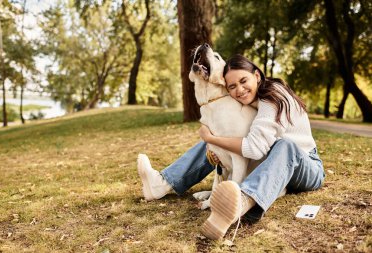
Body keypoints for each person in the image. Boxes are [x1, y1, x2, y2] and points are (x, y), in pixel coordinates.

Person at [137, 54, 325, 240]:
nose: (240, 90)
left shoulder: (273, 96)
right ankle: (161, 184)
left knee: (285, 146)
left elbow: (254, 149)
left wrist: (213, 138)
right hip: (273, 169)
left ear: (257, 76)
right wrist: (214, 144)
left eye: (244, 81)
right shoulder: (252, 99)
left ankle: (241, 202)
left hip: (306, 166)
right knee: (222, 137)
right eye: (232, 86)